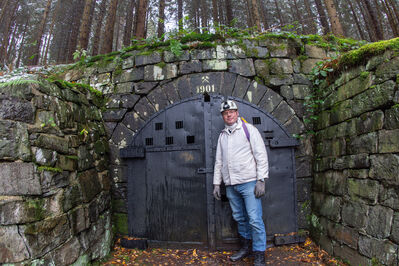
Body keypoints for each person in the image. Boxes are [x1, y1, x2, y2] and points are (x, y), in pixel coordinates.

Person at [213, 100, 269, 266]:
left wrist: (261, 180)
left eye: (231, 112)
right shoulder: (222, 136)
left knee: (254, 219)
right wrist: (217, 183)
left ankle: (259, 254)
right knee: (240, 218)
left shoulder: (248, 130)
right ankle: (246, 249)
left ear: (237, 113)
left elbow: (261, 155)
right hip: (231, 186)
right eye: (225, 113)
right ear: (223, 116)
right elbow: (219, 161)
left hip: (249, 183)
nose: (228, 115)